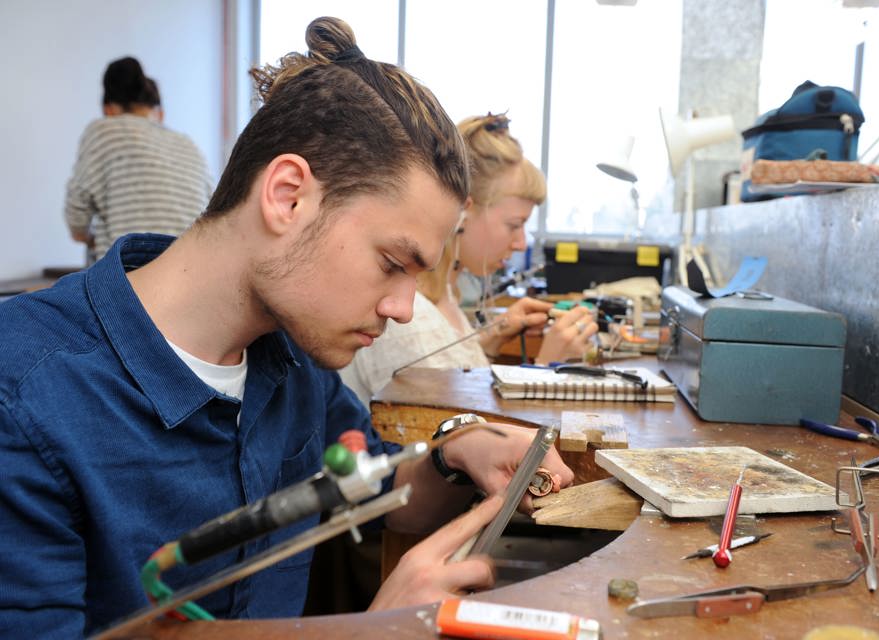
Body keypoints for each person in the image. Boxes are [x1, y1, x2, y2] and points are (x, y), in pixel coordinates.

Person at [0, 18, 572, 637]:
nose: (405, 309)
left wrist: (455, 454)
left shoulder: (291, 359)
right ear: (288, 196)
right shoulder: (25, 396)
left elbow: (377, 489)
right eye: (390, 264)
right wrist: (364, 632)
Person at [340, 113, 599, 406]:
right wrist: (545, 368)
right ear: (464, 211)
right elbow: (452, 439)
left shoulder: (444, 295)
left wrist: (491, 341)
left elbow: (456, 383)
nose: (521, 243)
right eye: (515, 225)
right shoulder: (408, 317)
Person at [64, 56, 212, 261]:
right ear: (159, 112)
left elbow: (77, 217)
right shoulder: (189, 144)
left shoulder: (103, 131)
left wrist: (88, 238)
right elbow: (212, 212)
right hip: (193, 271)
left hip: (132, 279)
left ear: (108, 109)